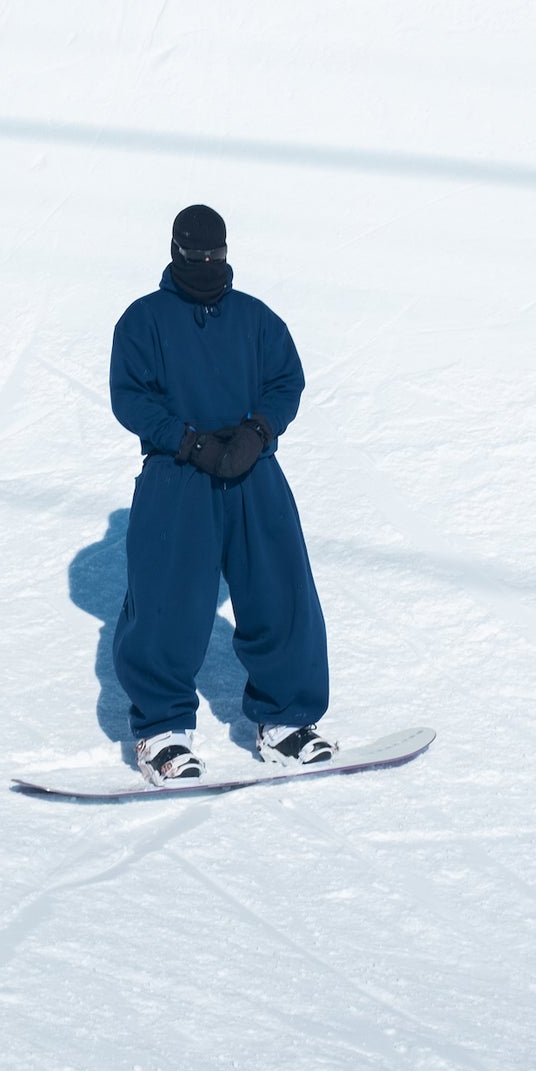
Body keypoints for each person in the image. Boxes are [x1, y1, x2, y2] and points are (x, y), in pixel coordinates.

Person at [108, 204, 334, 784]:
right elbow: (130, 397)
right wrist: (188, 441)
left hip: (253, 471)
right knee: (168, 600)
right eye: (197, 256)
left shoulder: (256, 319)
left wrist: (258, 432)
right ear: (176, 253)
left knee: (280, 591)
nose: (208, 264)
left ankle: (286, 721)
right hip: (177, 475)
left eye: (217, 255)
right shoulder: (144, 320)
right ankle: (161, 731)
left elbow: (286, 379)